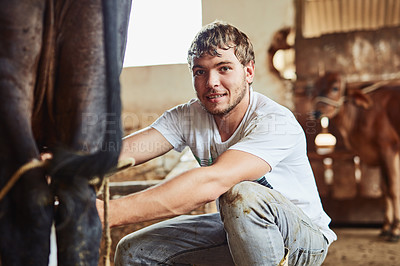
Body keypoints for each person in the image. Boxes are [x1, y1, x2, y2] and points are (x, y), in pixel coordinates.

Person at [97, 21, 337, 265]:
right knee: (132, 251)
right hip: (236, 224)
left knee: (242, 194)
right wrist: (72, 166)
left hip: (303, 238)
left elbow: (212, 181)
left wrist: (110, 213)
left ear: (249, 72)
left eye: (224, 68)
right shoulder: (188, 116)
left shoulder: (275, 121)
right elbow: (124, 152)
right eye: (200, 71)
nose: (211, 82)